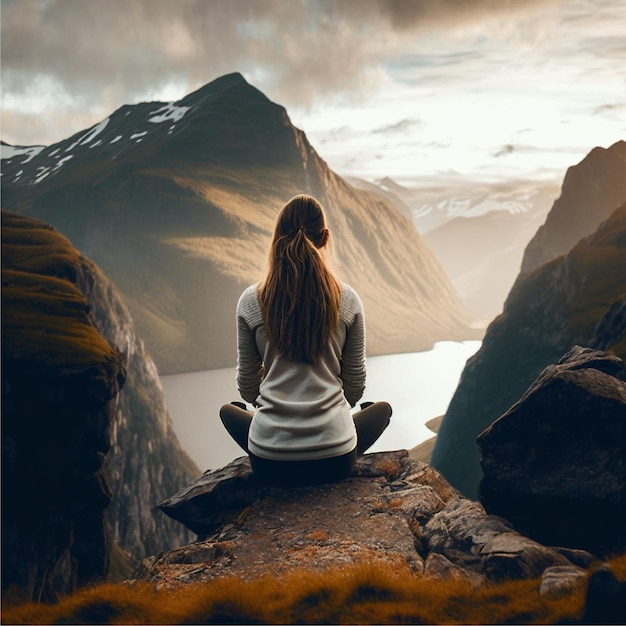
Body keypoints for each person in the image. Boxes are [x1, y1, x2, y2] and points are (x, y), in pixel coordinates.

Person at [220, 194, 392, 487]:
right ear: (325, 238)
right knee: (381, 410)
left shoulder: (251, 301)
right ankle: (339, 430)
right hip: (335, 461)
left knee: (229, 410)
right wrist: (331, 412)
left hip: (270, 463)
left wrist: (274, 405)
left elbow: (248, 388)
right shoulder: (347, 300)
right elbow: (355, 385)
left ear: (277, 237)